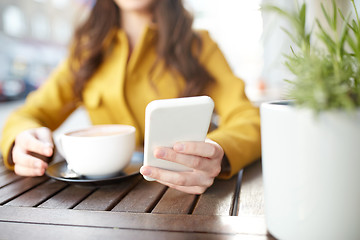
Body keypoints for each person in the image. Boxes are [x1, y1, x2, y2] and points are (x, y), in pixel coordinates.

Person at [0, 0, 261, 194]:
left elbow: (248, 119)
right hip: (96, 205)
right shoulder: (86, 52)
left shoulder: (200, 46)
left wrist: (218, 152)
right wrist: (22, 140)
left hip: (184, 199)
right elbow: (28, 114)